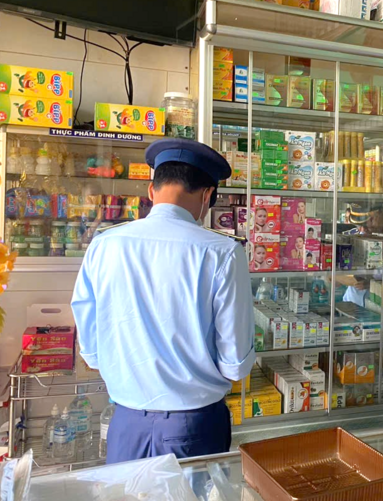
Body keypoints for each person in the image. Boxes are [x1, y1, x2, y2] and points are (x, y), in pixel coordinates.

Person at [71, 139, 255, 463]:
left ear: (151, 191)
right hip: (194, 425)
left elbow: (91, 351)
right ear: (207, 196)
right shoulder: (222, 252)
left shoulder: (105, 245)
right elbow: (236, 363)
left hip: (125, 423)